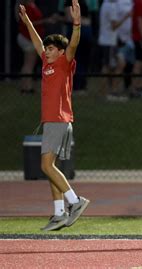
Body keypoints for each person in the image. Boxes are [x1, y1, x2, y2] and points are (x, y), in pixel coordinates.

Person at [18, 0, 90, 231]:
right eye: (46, 49)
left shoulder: (63, 62)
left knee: (46, 166)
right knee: (52, 168)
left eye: (51, 49)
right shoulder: (47, 64)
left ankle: (75, 201)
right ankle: (59, 213)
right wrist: (27, 20)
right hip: (55, 122)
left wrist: (76, 23)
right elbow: (36, 41)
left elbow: (73, 45)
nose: (46, 51)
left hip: (58, 120)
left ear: (60, 52)